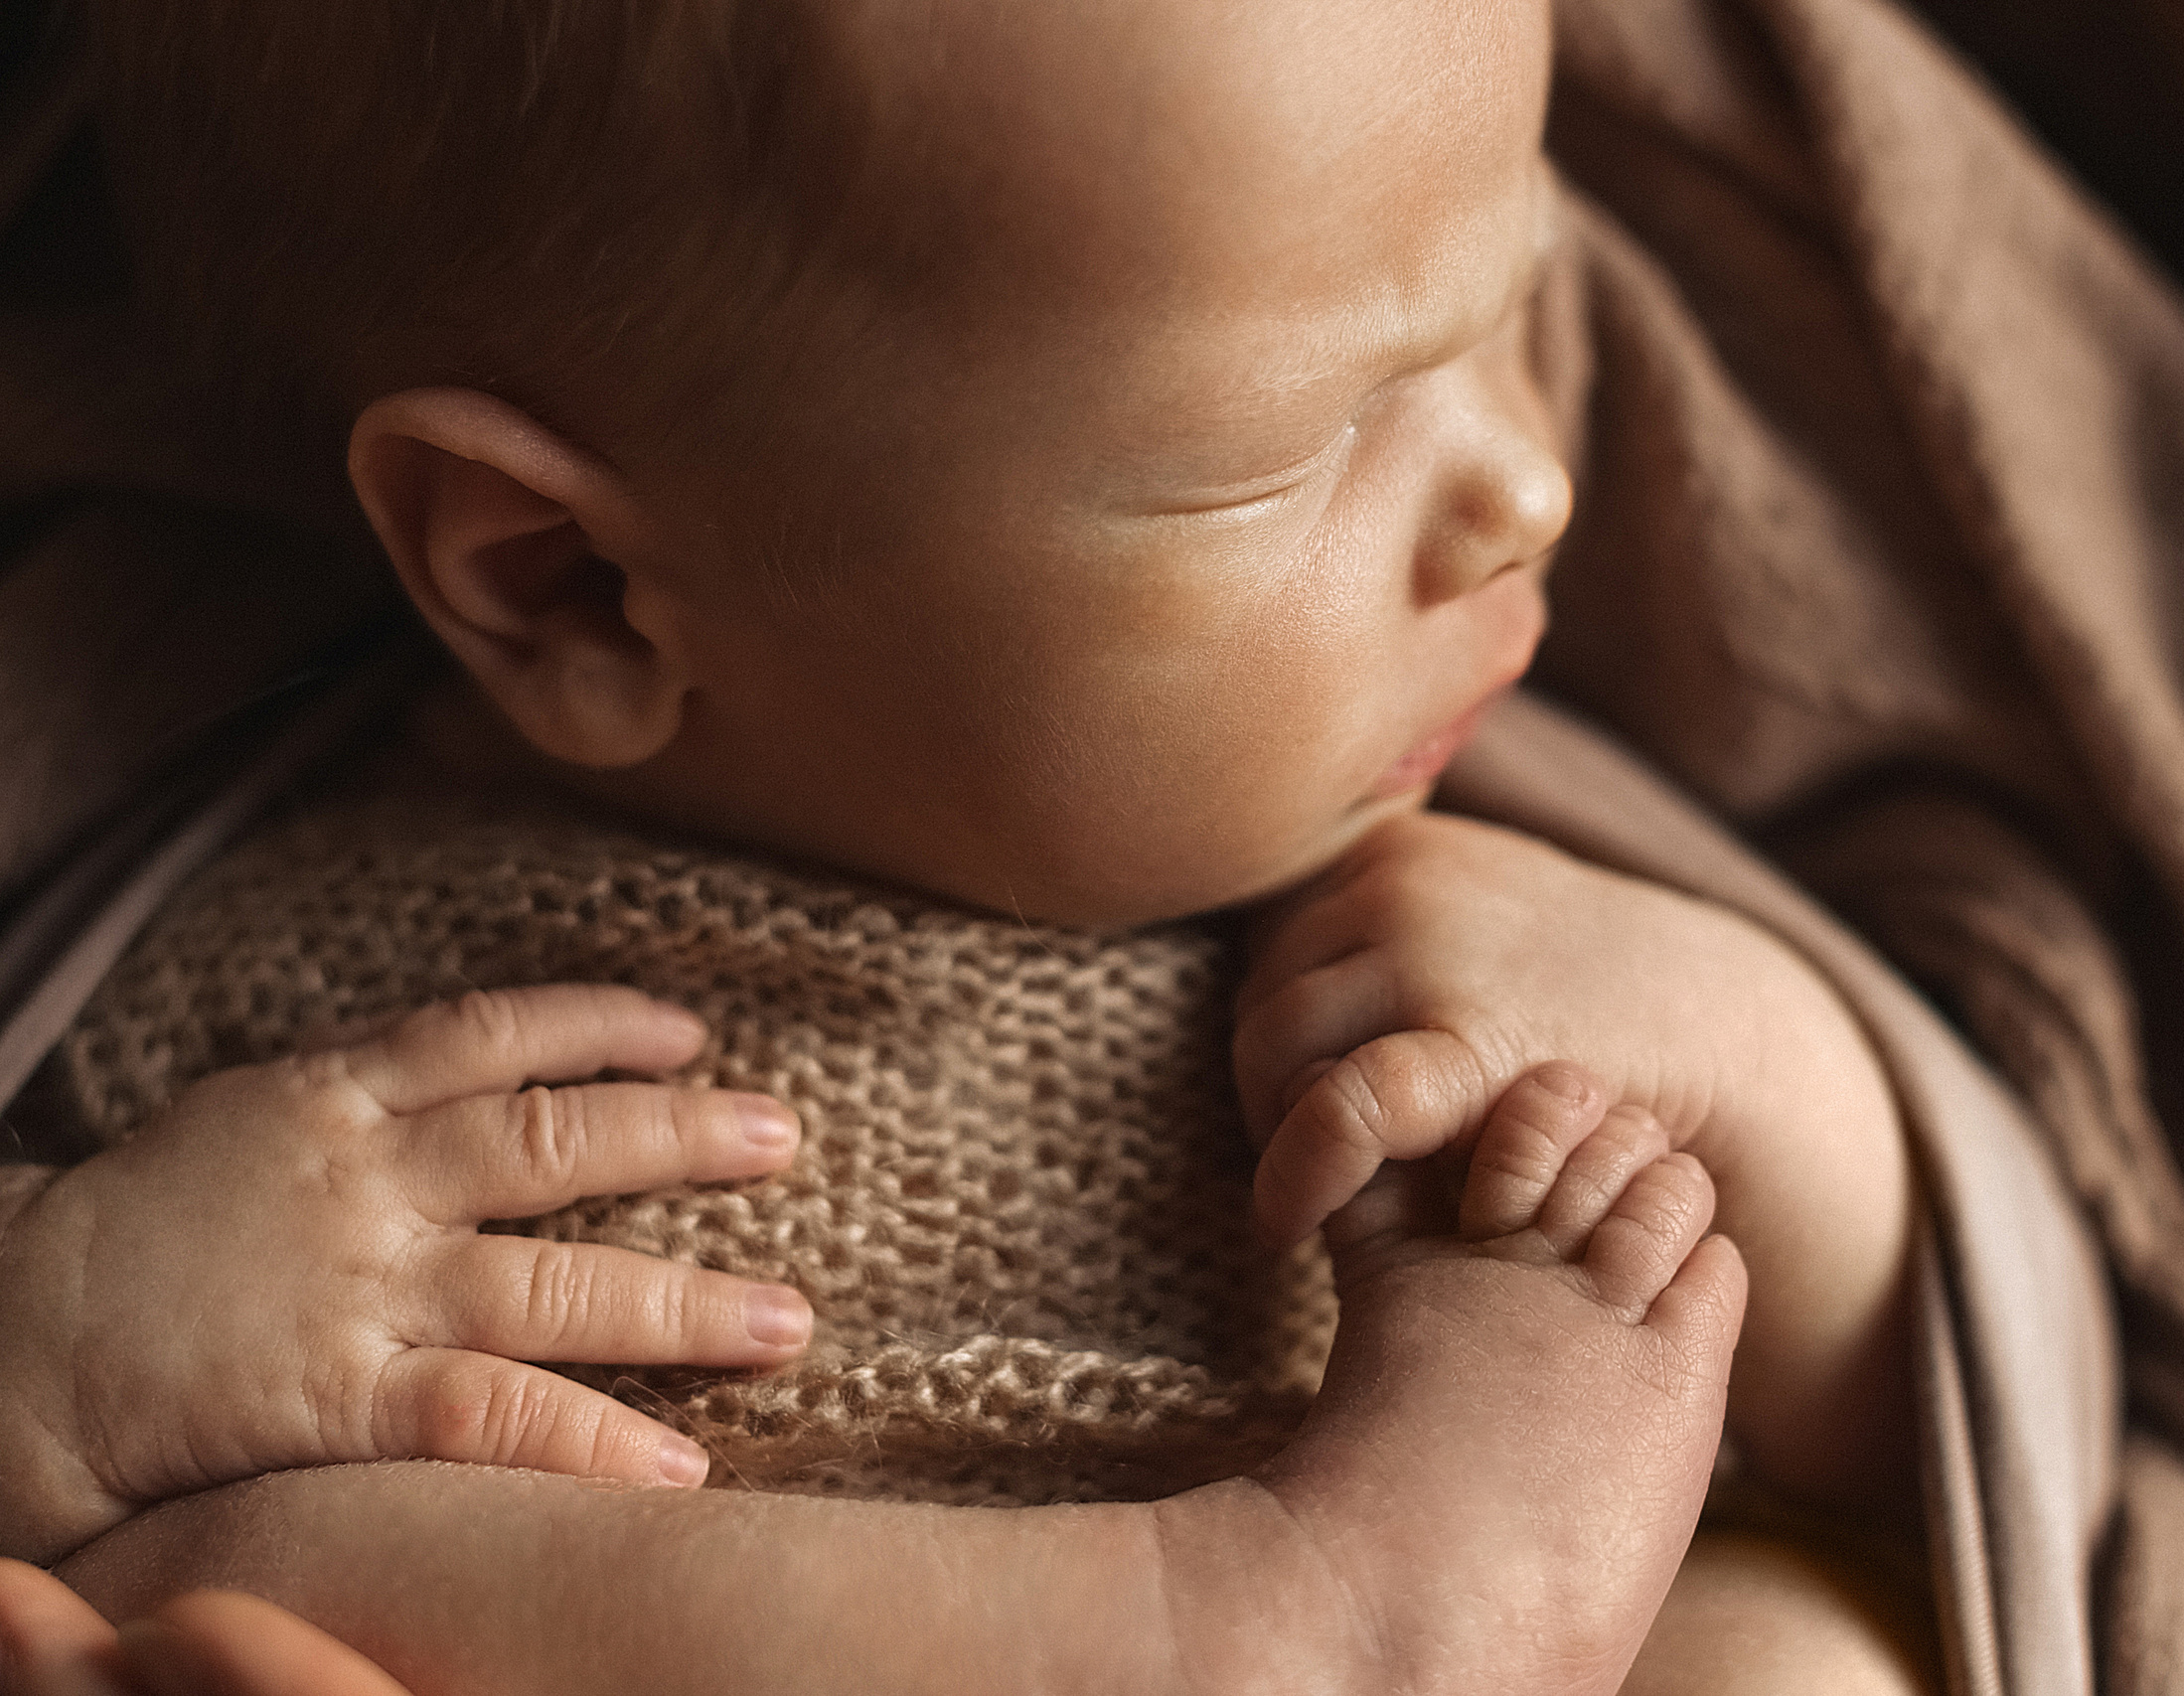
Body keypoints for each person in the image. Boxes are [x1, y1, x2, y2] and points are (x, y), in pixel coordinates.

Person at [0, 1, 1921, 1689]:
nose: (1529, 485)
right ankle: (1274, 1633)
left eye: (1523, 304)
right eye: (1281, 452)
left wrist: (1752, 1054)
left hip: (1531, 1607)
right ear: (571, 585)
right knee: (220, 1569)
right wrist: (73, 1318)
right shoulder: (225, 900)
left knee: (1801, 1655)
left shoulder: (1491, 873)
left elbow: (1937, 1436)